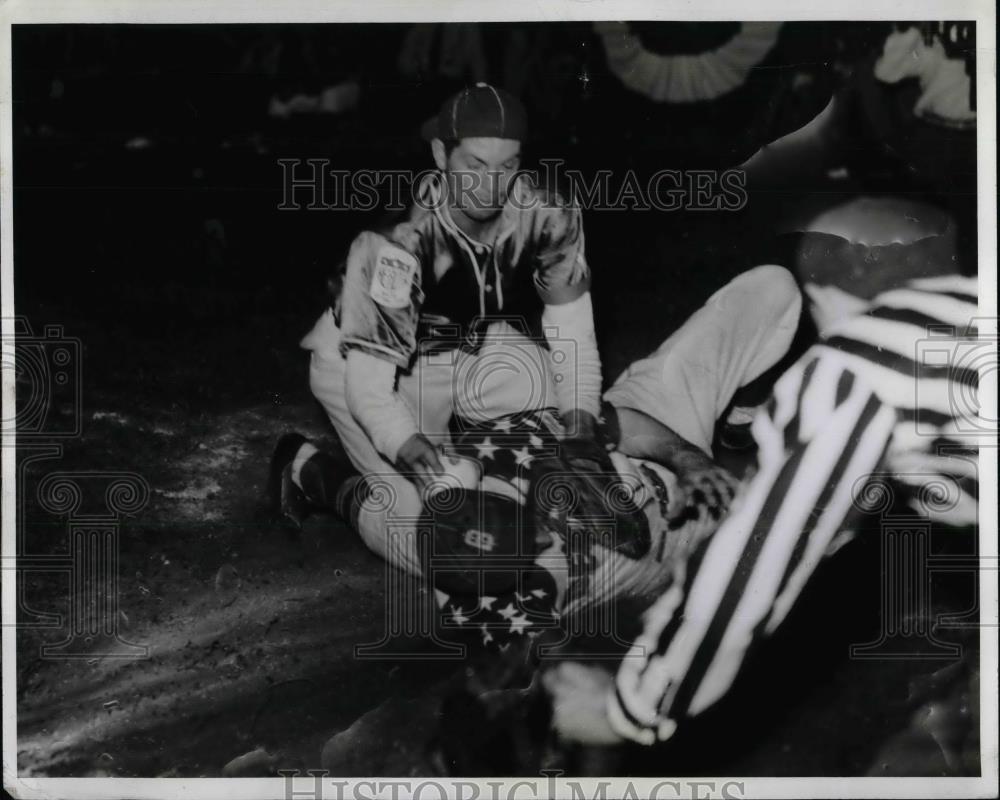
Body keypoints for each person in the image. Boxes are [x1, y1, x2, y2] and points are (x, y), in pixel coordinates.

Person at [543, 273, 980, 746]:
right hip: (635, 551)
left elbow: (603, 421)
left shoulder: (856, 367)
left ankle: (750, 430)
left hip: (652, 449)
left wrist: (687, 458)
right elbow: (747, 575)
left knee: (771, 288)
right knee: (737, 566)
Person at [270, 82, 605, 576]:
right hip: (367, 367)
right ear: (440, 155)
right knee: (436, 540)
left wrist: (580, 432)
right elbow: (369, 389)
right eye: (475, 165)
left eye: (507, 167)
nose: (492, 185)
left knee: (568, 409)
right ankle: (312, 470)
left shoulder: (549, 212)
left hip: (470, 344)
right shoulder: (397, 243)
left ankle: (489, 464)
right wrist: (412, 451)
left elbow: (573, 335)